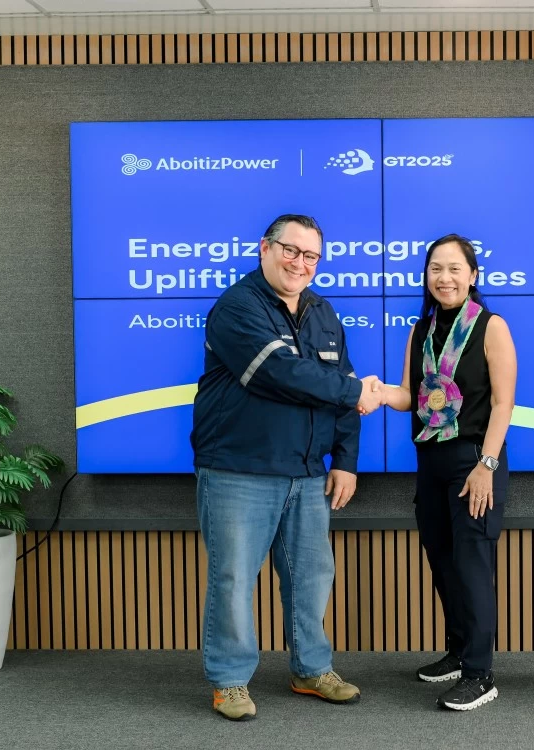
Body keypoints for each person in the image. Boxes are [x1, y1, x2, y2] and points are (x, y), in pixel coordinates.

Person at [191, 213, 385, 721]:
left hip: (308, 473)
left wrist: (345, 461)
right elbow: (278, 372)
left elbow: (342, 394)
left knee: (311, 576)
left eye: (311, 256)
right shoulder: (237, 306)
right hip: (239, 470)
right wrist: (357, 391)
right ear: (265, 248)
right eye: (291, 250)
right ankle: (230, 681)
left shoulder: (322, 312)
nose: (300, 263)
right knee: (233, 579)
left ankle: (311, 669)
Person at [370, 233, 517, 711]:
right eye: (437, 268)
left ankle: (481, 674)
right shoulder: (421, 330)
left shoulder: (491, 327)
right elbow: (412, 396)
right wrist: (376, 393)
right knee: (444, 562)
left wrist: (487, 466)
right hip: (430, 461)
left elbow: (502, 402)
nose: (445, 277)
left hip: (474, 460)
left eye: (455, 268)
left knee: (472, 565)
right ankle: (458, 653)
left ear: (473, 276)